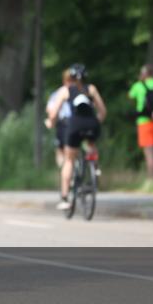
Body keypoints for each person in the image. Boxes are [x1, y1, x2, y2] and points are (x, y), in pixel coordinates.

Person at [47, 64, 107, 210]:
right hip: (91, 124)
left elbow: (54, 113)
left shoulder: (65, 90)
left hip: (75, 125)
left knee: (69, 160)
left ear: (71, 78)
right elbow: (103, 111)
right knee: (90, 144)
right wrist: (95, 122)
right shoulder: (91, 89)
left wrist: (51, 122)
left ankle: (65, 197)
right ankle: (95, 168)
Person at [128, 64, 153, 180]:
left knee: (149, 153)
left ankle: (151, 180)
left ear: (143, 74)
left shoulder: (138, 85)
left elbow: (130, 96)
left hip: (144, 121)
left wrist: (140, 81)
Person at [44, 69, 74, 169]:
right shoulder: (84, 90)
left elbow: (51, 111)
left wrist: (50, 121)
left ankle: (64, 171)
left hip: (64, 123)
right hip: (80, 122)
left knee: (61, 149)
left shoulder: (60, 93)